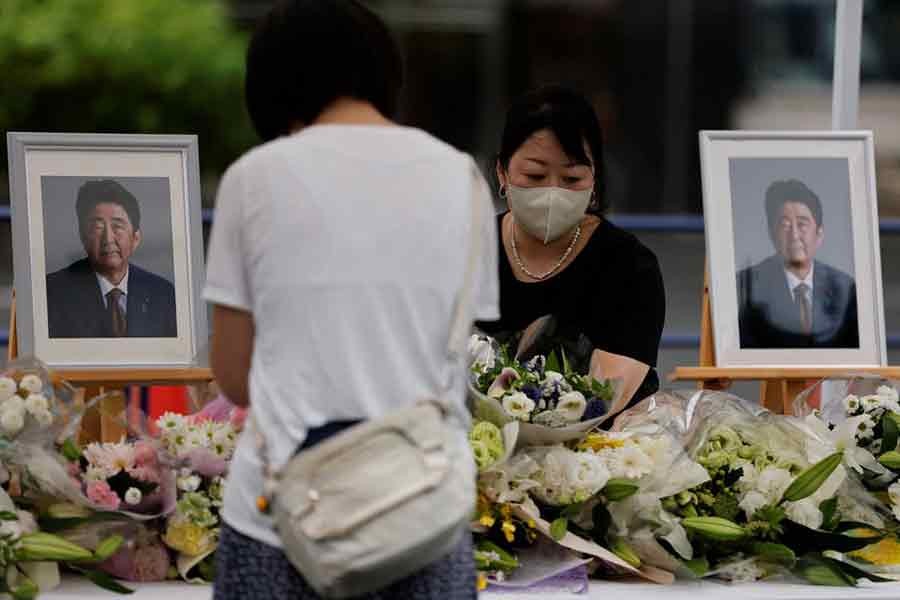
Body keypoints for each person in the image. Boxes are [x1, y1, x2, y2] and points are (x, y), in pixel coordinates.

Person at [204, 2, 498, 598]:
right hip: (422, 513)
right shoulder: (461, 177)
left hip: (280, 515)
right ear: (384, 71)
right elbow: (458, 349)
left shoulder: (253, 178)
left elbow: (234, 377)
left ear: (273, 82)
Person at [476, 85, 665, 415]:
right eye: (535, 175)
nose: (552, 192)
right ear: (502, 172)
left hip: (602, 451)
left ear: (594, 181)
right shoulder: (469, 252)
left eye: (572, 178)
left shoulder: (629, 267)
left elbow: (605, 401)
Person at [45, 179, 177, 338]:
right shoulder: (53, 293)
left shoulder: (163, 294)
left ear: (135, 239)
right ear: (82, 236)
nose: (108, 238)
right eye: (97, 227)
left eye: (117, 226)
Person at [737, 179, 858, 349]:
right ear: (771, 233)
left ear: (819, 234)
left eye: (802, 224)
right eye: (785, 225)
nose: (794, 235)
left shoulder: (845, 288)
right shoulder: (747, 286)